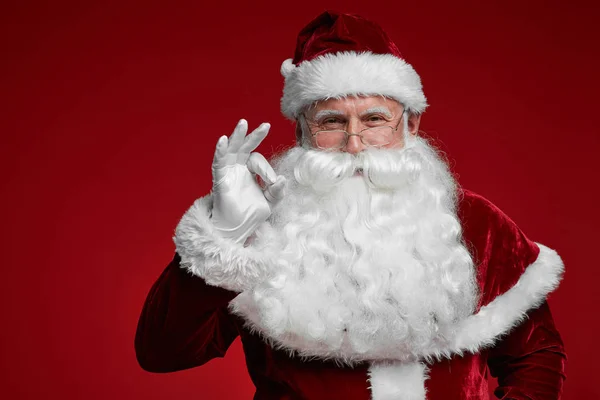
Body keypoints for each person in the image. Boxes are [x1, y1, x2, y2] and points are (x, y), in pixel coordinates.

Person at [135, 11, 566, 400]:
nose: (355, 144)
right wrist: (223, 236)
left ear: (411, 125)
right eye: (332, 122)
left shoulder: (478, 224)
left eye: (375, 119)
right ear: (303, 132)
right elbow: (163, 353)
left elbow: (536, 354)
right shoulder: (263, 228)